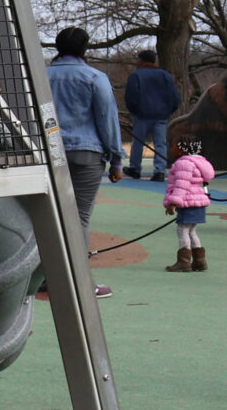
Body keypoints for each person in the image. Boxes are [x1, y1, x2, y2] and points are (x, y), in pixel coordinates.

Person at [48, 26, 121, 297]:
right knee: (79, 217)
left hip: (48, 153)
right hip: (86, 152)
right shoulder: (95, 77)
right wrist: (116, 159)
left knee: (50, 216)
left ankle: (48, 277)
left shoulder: (41, 74)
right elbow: (107, 120)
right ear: (84, 48)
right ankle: (81, 284)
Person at [122, 48, 180, 180]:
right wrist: (167, 110)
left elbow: (131, 97)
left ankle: (135, 168)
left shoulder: (136, 75)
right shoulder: (165, 75)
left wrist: (134, 110)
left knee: (138, 142)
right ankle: (159, 170)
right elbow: (175, 97)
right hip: (161, 115)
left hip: (142, 114)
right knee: (160, 143)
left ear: (141, 61)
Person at [161, 138, 215, 273]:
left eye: (173, 146)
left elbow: (181, 185)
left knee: (182, 230)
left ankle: (183, 262)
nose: (171, 149)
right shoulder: (200, 162)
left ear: (182, 149)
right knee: (191, 231)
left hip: (188, 202)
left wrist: (173, 203)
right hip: (198, 202)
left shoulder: (183, 163)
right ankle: (199, 261)